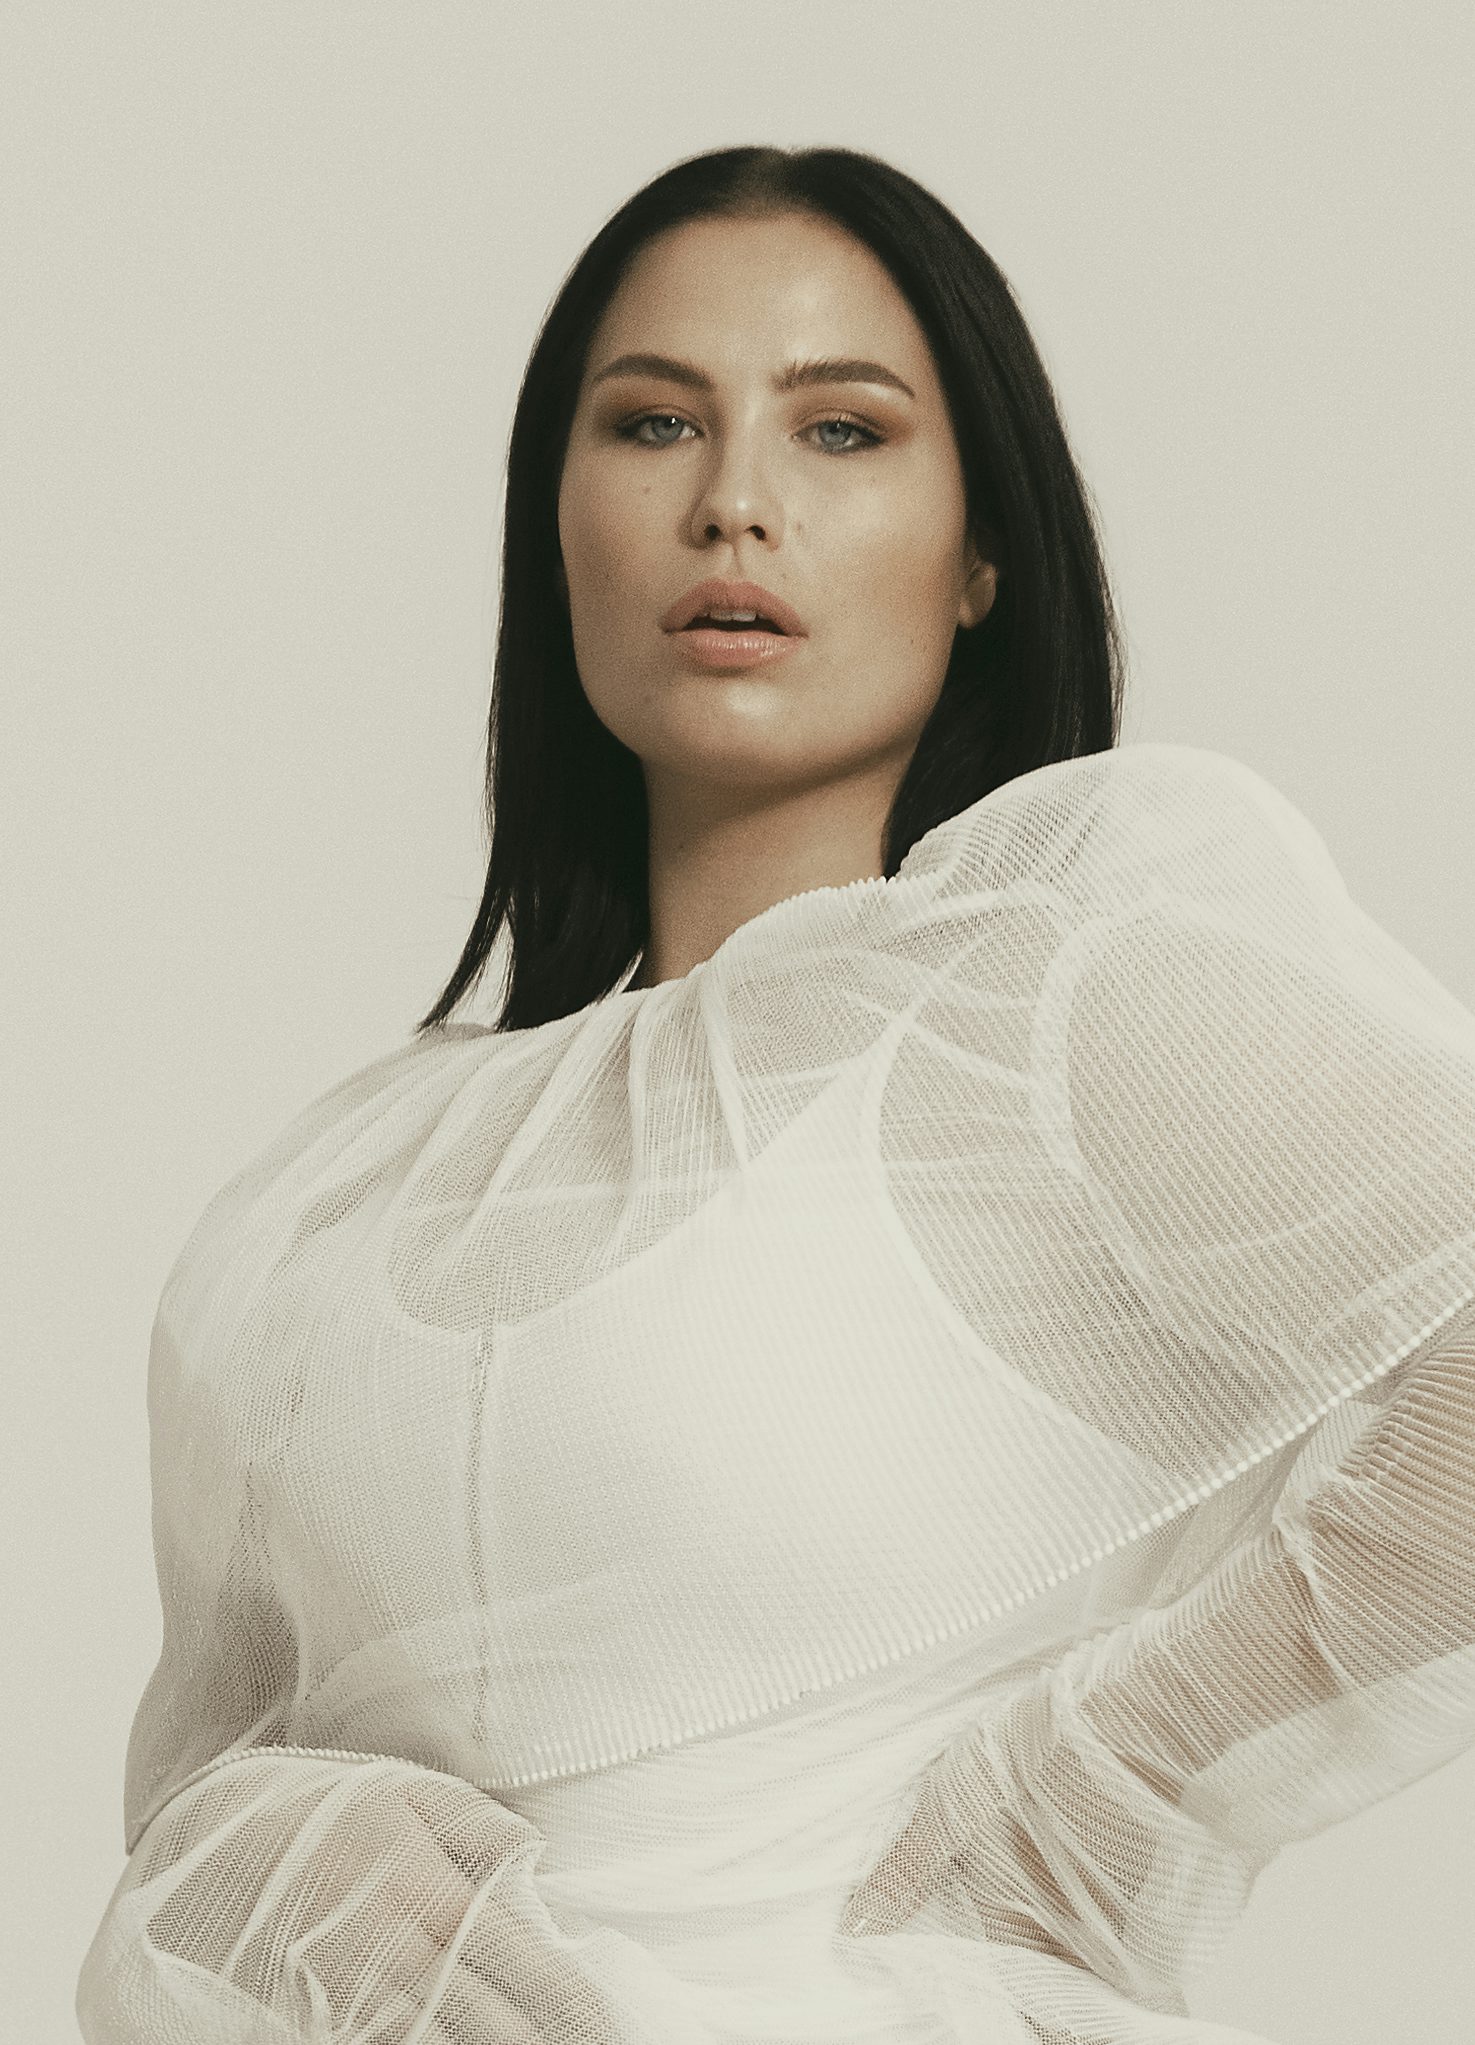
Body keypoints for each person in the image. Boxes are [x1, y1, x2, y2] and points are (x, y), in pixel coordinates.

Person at [76, 144, 1475, 2045]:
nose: (733, 501)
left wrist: (1118, 1775)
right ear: (554, 522)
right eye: (654, 423)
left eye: (842, 431)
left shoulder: (1043, 1000)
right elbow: (202, 1784)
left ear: (982, 555)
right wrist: (254, 1852)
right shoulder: (330, 1197)